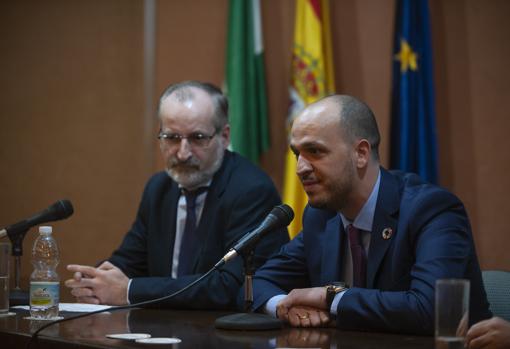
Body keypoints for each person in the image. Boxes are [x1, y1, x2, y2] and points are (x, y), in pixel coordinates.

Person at [251, 94, 491, 334]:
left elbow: (431, 309)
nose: (300, 168)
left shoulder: (431, 210)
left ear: (361, 154)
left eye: (315, 151)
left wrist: (331, 298)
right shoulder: (321, 216)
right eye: (297, 154)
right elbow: (261, 281)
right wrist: (284, 307)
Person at [65, 81, 289, 309]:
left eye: (198, 138)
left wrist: (129, 291)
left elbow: (230, 287)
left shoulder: (251, 190)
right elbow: (130, 260)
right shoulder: (159, 188)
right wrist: (97, 281)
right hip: (161, 330)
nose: (183, 154)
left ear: (224, 136)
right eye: (172, 138)